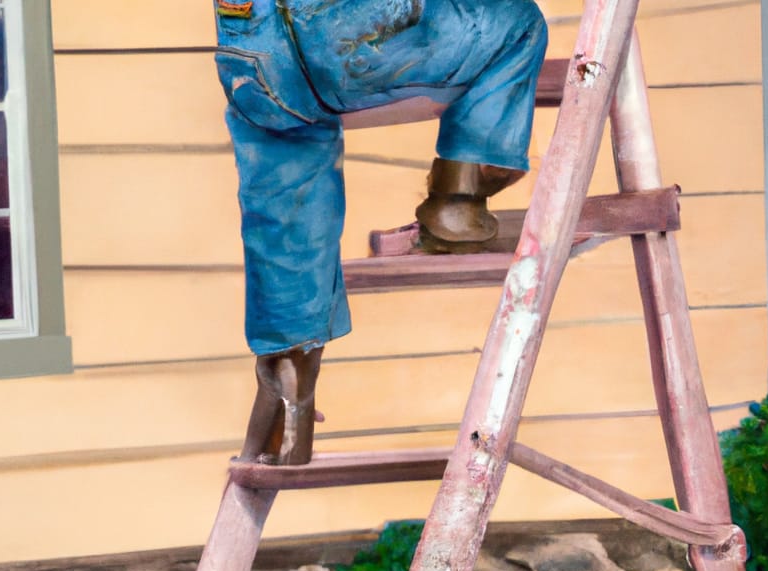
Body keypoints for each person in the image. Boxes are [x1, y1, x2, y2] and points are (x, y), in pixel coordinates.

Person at [213, 0, 548, 465]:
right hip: (342, 30)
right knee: (517, 24)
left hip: (249, 47)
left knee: (284, 179)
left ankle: (289, 378)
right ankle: (458, 198)